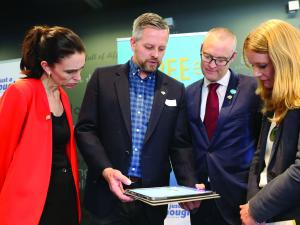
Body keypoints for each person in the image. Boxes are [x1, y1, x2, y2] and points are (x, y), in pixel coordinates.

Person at [75, 12, 200, 225]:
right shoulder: (102, 79)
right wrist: (106, 170)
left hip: (151, 200)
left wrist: (189, 186)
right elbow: (85, 129)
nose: (156, 55)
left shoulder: (175, 89)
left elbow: (179, 145)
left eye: (162, 49)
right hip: (107, 195)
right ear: (133, 42)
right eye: (149, 47)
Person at [0, 25, 85, 225]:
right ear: (47, 66)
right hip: (30, 205)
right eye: (70, 71)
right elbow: (2, 154)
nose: (78, 78)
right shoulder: (20, 93)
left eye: (81, 69)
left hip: (64, 197)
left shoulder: (62, 94)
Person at [185, 27, 261, 225]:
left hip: (242, 203)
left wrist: (258, 199)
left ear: (233, 57)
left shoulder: (253, 89)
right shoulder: (188, 94)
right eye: (207, 56)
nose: (211, 65)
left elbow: (262, 148)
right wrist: (188, 184)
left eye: (220, 60)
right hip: (201, 204)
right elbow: (184, 146)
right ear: (201, 49)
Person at [240, 19, 300, 225]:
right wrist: (253, 204)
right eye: (253, 65)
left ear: (284, 59)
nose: (256, 73)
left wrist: (257, 208)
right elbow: (259, 160)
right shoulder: (275, 99)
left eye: (262, 65)